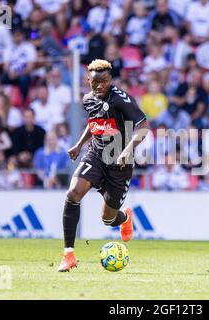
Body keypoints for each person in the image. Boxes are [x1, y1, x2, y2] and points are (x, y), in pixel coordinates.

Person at [57, 59, 149, 272]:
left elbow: (143, 125)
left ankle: (124, 216)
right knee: (73, 193)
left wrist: (128, 150)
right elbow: (94, 123)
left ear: (110, 80)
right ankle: (68, 255)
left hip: (119, 163)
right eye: (95, 82)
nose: (100, 86)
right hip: (96, 155)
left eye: (105, 81)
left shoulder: (121, 99)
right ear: (88, 80)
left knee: (108, 218)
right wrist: (80, 145)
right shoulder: (88, 99)